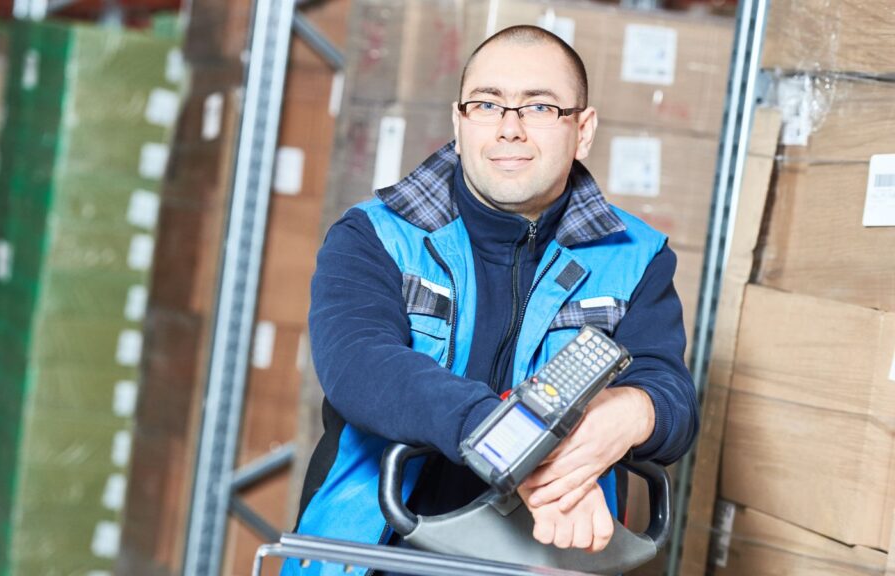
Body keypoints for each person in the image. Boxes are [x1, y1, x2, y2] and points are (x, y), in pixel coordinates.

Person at [284, 24, 698, 576]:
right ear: (459, 123)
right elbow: (360, 364)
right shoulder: (376, 236)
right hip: (371, 556)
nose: (510, 129)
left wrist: (634, 412)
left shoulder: (638, 257)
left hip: (544, 558)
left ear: (584, 130)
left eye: (541, 108)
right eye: (487, 104)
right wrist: (510, 443)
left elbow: (669, 391)